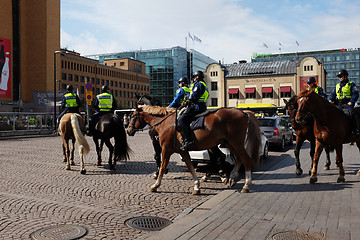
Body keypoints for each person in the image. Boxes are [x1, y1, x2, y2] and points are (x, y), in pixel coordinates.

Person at [177, 71, 209, 150]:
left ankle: (188, 140)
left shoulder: (199, 84)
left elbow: (194, 97)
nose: (194, 79)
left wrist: (187, 98)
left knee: (181, 120)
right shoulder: (203, 85)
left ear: (197, 77)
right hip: (199, 105)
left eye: (194, 77)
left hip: (197, 107)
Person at [329, 69, 360, 137]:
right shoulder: (337, 85)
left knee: (352, 113)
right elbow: (333, 94)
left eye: (341, 76)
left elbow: (355, 94)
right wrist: (330, 100)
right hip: (338, 104)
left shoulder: (351, 84)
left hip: (347, 104)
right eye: (339, 76)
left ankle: (355, 130)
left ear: (345, 76)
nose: (340, 78)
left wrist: (351, 102)